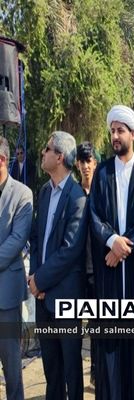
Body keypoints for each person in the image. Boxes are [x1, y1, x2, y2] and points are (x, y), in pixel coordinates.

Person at [89, 105, 134, 399]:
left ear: (133, 134)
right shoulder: (102, 172)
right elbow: (94, 214)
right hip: (110, 279)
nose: (115, 136)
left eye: (120, 130)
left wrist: (121, 248)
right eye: (112, 131)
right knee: (112, 349)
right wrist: (110, 240)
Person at [29, 131, 87, 400]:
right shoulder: (44, 192)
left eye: (47, 149)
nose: (43, 153)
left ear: (60, 157)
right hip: (42, 297)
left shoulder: (77, 197)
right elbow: (36, 238)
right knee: (51, 369)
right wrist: (34, 277)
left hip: (65, 297)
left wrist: (40, 280)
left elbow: (70, 250)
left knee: (71, 370)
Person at [0, 136, 33, 400]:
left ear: (2, 159)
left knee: (11, 366)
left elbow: (17, 240)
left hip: (7, 294)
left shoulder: (22, 194)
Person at [75, 141, 99, 387]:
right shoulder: (73, 194)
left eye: (89, 161)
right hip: (76, 271)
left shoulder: (102, 193)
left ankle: (96, 370)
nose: (85, 166)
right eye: (82, 161)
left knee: (98, 325)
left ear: (96, 163)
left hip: (98, 271)